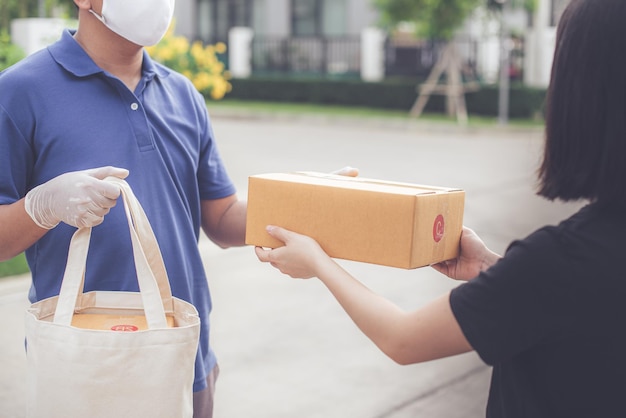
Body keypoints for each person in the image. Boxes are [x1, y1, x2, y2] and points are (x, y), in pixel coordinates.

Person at [255, 0, 626, 416]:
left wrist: (318, 261)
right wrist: (493, 269)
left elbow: (403, 339)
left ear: (582, 94)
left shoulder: (560, 262)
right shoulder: (570, 263)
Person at [0, 1, 244, 416]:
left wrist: (303, 202)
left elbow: (221, 218)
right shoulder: (19, 92)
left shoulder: (182, 94)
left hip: (184, 359)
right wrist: (43, 206)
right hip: (85, 371)